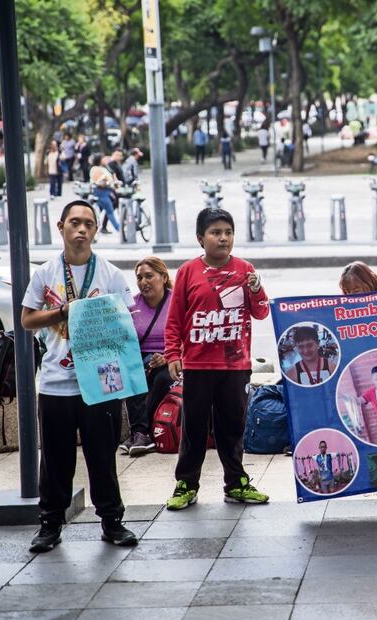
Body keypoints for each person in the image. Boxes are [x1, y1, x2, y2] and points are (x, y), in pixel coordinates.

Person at [21, 200, 138, 553]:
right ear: (61, 227)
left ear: (96, 231)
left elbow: (127, 322)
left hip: (100, 381)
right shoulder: (45, 273)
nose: (81, 230)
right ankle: (50, 525)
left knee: (102, 455)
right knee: (56, 459)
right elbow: (27, 319)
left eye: (88, 223)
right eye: (75, 222)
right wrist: (62, 310)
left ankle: (112, 521)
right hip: (57, 382)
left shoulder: (110, 274)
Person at [164, 207, 271, 510]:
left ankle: (236, 483)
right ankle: (186, 484)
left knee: (232, 427)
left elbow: (261, 311)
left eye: (228, 232)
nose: (223, 238)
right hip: (197, 365)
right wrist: (174, 353)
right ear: (201, 239)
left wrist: (256, 288)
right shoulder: (187, 272)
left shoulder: (245, 269)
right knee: (194, 428)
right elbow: (174, 320)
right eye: (215, 233)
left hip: (235, 366)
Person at [121, 257, 173, 457]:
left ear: (163, 277)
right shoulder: (132, 305)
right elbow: (126, 341)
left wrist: (168, 356)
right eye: (139, 277)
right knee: (133, 376)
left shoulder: (176, 301)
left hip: (172, 357)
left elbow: (190, 336)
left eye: (149, 276)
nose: (144, 282)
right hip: (142, 359)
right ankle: (139, 433)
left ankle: (142, 432)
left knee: (162, 378)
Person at [89, 155, 119, 233]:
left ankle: (99, 227)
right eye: (103, 159)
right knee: (110, 211)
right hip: (103, 192)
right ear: (99, 160)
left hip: (100, 192)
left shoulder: (96, 168)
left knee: (98, 210)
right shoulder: (98, 169)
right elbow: (104, 181)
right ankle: (119, 228)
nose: (105, 160)